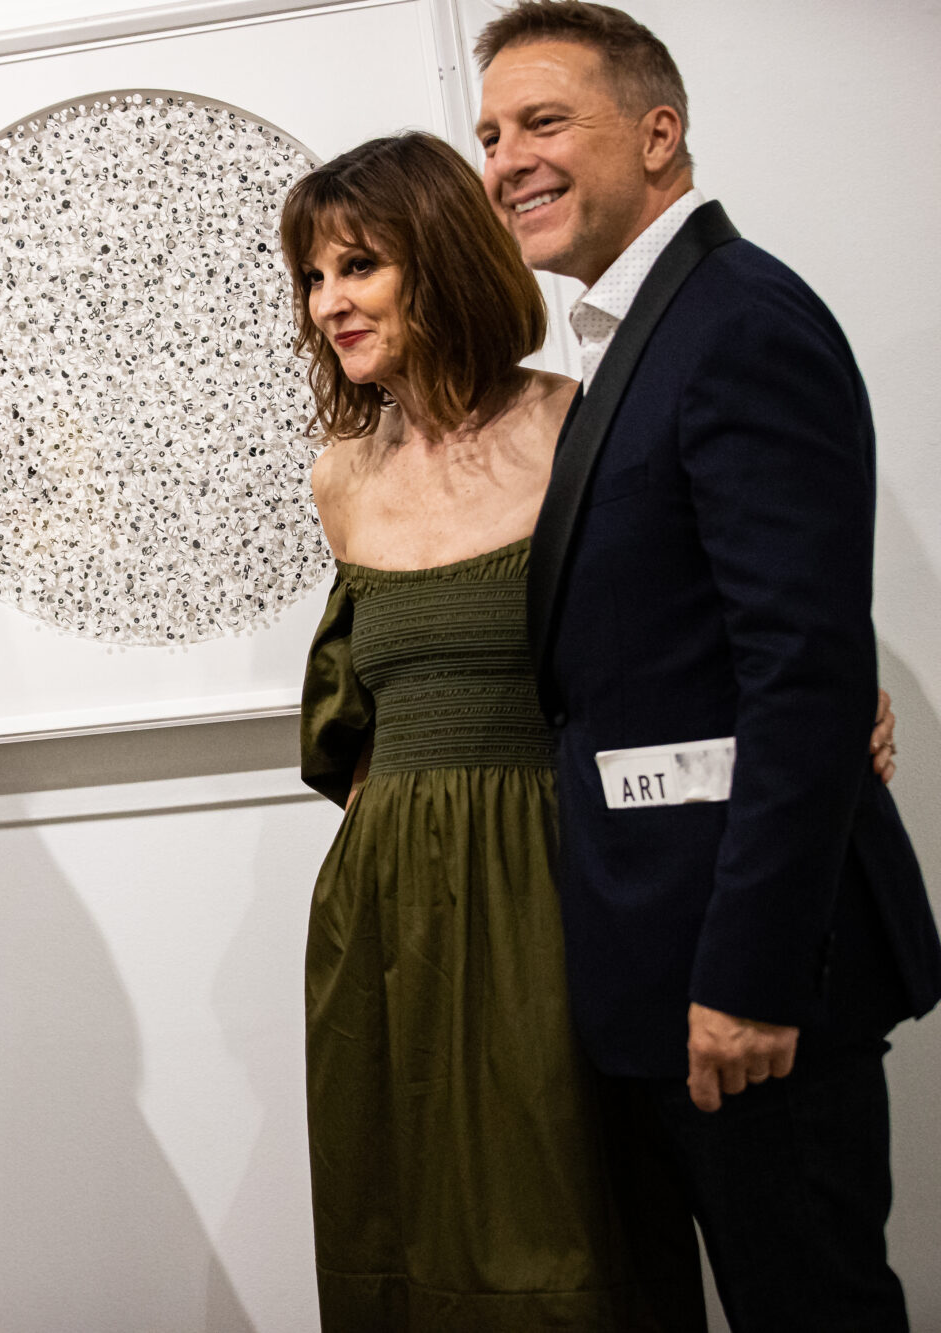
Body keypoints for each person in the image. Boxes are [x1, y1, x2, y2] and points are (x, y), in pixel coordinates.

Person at [475, 3, 941, 1328]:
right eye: (490, 134)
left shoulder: (737, 321)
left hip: (740, 981)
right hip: (647, 966)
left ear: (657, 134)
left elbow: (801, 674)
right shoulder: (633, 333)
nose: (507, 160)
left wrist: (747, 976)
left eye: (543, 121)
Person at [282, 129, 698, 1331]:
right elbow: (356, 718)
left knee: (565, 1224)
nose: (327, 303)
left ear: (441, 259)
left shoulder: (576, 429)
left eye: (358, 266)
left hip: (554, 883)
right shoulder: (339, 479)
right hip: (387, 908)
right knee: (403, 1222)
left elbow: (685, 632)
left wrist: (847, 699)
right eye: (311, 277)